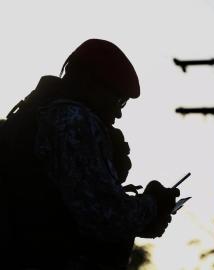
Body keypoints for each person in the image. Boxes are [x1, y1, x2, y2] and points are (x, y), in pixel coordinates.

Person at [0, 39, 179, 270]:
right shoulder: (73, 121)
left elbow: (76, 209)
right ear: (91, 85)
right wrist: (153, 204)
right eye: (118, 100)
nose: (118, 112)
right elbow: (105, 216)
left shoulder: (40, 115)